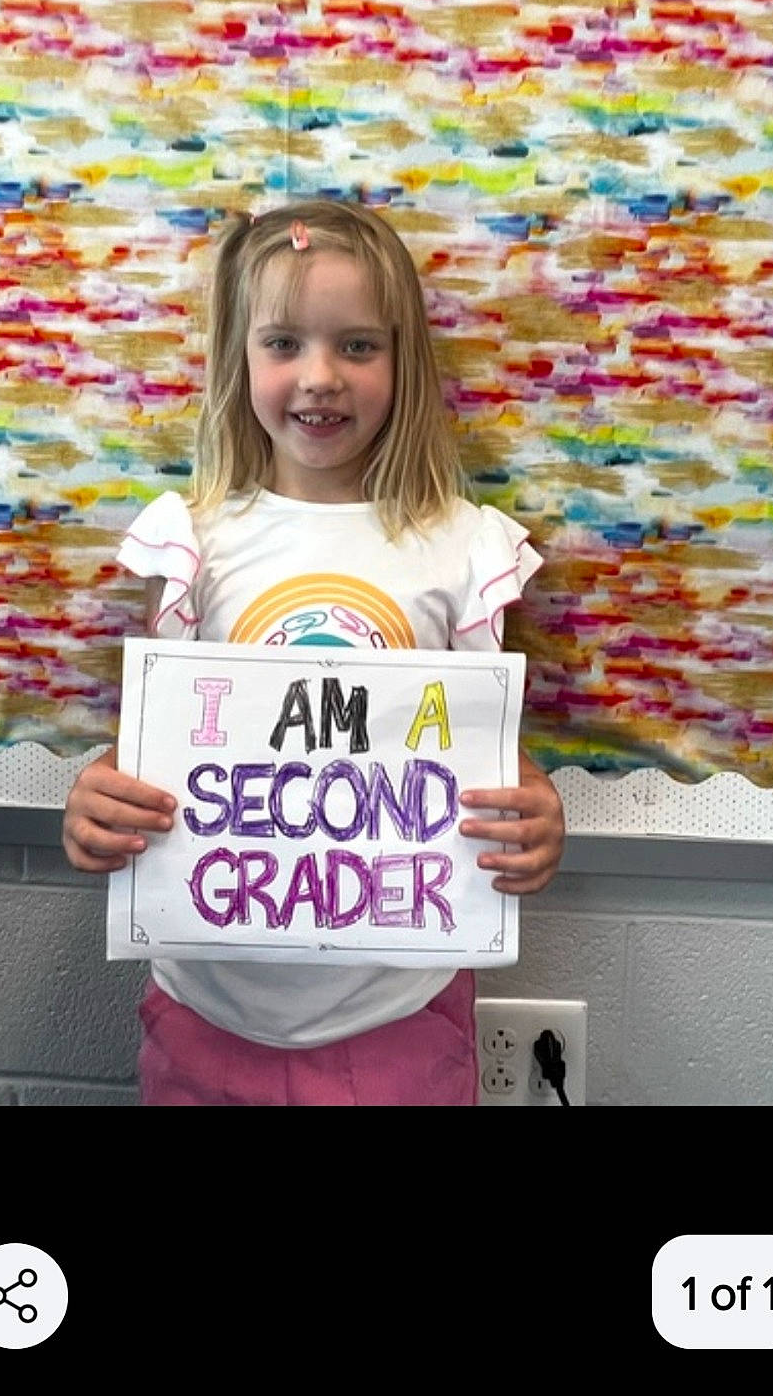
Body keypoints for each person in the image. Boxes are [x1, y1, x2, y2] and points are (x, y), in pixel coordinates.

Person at [62, 199, 565, 1105]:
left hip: (396, 1012)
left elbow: (484, 750)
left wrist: (534, 814)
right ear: (238, 359)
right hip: (205, 1004)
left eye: (358, 347)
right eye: (283, 343)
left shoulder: (461, 548)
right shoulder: (194, 542)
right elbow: (156, 744)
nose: (320, 376)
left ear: (401, 359)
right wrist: (99, 800)